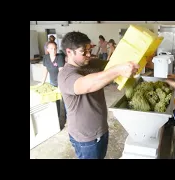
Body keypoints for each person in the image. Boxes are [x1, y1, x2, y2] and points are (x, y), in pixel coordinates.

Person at [58, 31, 139, 159]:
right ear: (69, 52)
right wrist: (117, 70)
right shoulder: (65, 75)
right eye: (83, 52)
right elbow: (89, 84)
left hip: (100, 129)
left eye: (90, 50)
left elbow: (114, 64)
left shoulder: (92, 63)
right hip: (86, 138)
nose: (89, 54)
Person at [41, 41, 66, 120]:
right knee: (55, 100)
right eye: (51, 48)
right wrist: (42, 82)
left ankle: (68, 117)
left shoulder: (60, 57)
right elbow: (45, 70)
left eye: (55, 48)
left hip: (61, 82)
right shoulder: (45, 58)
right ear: (48, 49)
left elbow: (61, 73)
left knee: (65, 100)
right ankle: (57, 117)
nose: (54, 50)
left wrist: (59, 86)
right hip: (52, 82)